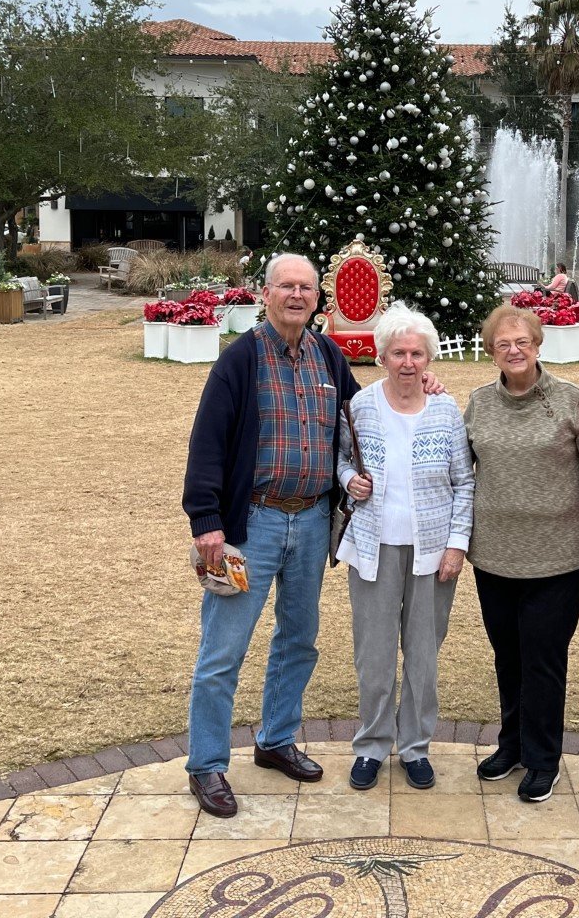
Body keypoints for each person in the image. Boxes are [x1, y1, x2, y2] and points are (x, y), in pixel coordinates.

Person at [181, 253, 358, 817]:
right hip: (251, 524)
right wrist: (207, 522)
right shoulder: (240, 359)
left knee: (298, 639)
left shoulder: (329, 355)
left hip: (309, 520)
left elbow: (364, 414)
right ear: (266, 293)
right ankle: (207, 764)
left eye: (306, 287)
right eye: (287, 286)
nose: (297, 295)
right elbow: (207, 441)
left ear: (316, 297)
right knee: (223, 650)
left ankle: (275, 739)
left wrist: (422, 380)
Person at [338, 302, 474, 792]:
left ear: (429, 359)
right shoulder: (361, 406)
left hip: (432, 552)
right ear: (382, 356)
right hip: (373, 548)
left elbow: (465, 482)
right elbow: (342, 459)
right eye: (399, 352)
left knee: (423, 656)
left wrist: (456, 546)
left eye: (418, 353)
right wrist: (350, 478)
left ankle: (415, 746)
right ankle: (372, 745)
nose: (409, 363)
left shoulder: (445, 410)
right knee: (373, 654)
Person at [463, 303, 579, 803]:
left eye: (522, 342)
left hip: (557, 555)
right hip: (495, 554)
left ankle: (543, 759)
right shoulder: (478, 403)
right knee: (507, 655)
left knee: (543, 658)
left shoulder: (570, 400)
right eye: (503, 344)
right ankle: (512, 744)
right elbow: (463, 471)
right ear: (491, 350)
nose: (514, 351)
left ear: (538, 345)